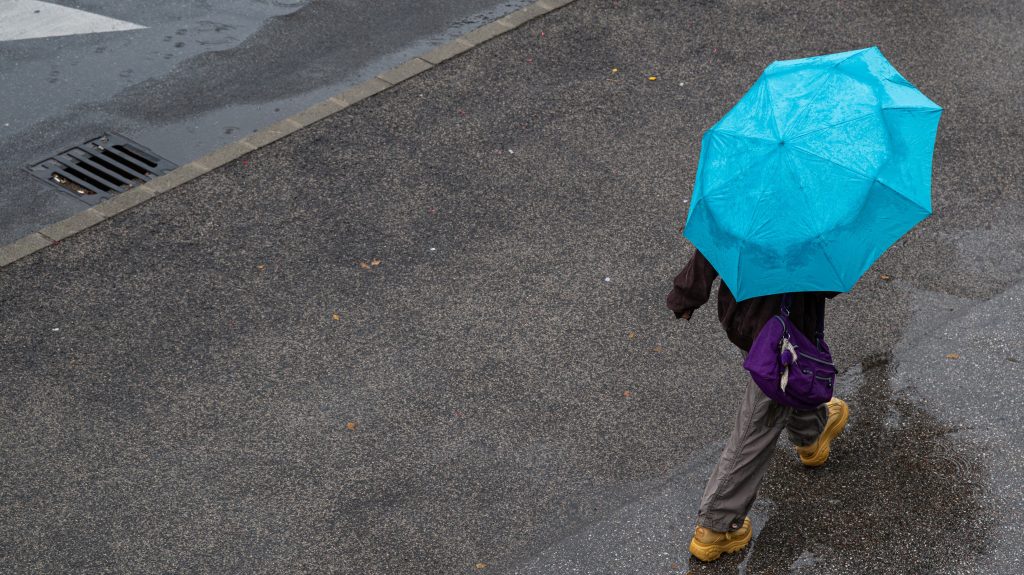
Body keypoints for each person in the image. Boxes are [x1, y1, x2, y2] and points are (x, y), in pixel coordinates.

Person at [667, 249, 850, 562]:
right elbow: (829, 285)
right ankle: (717, 525)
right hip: (781, 338)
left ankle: (812, 434)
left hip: (742, 317)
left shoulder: (745, 203)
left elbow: (711, 246)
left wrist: (686, 295)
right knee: (758, 423)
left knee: (786, 389)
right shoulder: (806, 222)